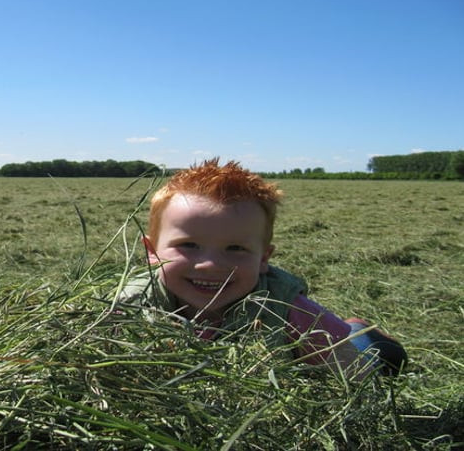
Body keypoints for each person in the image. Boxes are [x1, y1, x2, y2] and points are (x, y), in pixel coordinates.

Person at [118, 158, 406, 378]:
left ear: (264, 258)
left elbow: (359, 379)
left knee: (390, 359)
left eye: (235, 249)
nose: (210, 264)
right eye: (188, 245)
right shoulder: (126, 307)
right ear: (152, 253)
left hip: (345, 345)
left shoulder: (288, 310)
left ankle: (358, 328)